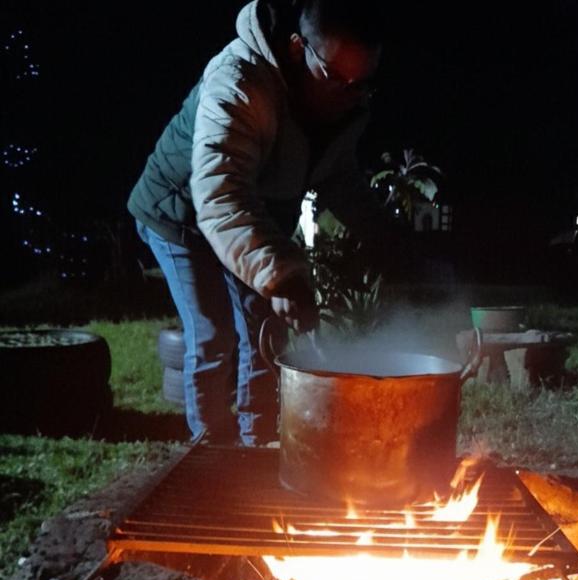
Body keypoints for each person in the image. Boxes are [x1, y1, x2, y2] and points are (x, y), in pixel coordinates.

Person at [128, 0, 392, 446]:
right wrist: (280, 275)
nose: (349, 94)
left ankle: (257, 447)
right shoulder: (239, 80)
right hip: (181, 212)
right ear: (298, 49)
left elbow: (340, 180)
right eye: (336, 77)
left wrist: (396, 245)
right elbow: (221, 194)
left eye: (361, 84)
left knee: (263, 332)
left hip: (249, 216)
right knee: (213, 335)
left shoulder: (342, 103)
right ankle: (211, 452)